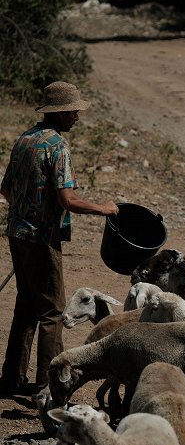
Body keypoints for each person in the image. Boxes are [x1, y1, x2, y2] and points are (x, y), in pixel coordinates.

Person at [0, 81, 119, 397]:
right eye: (75, 112)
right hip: (41, 238)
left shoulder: (24, 140)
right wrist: (105, 209)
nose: (78, 117)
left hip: (17, 232)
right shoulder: (58, 147)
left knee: (26, 306)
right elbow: (68, 200)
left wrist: (25, 211)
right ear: (62, 112)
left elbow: (6, 188)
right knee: (52, 312)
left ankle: (11, 378)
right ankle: (50, 384)